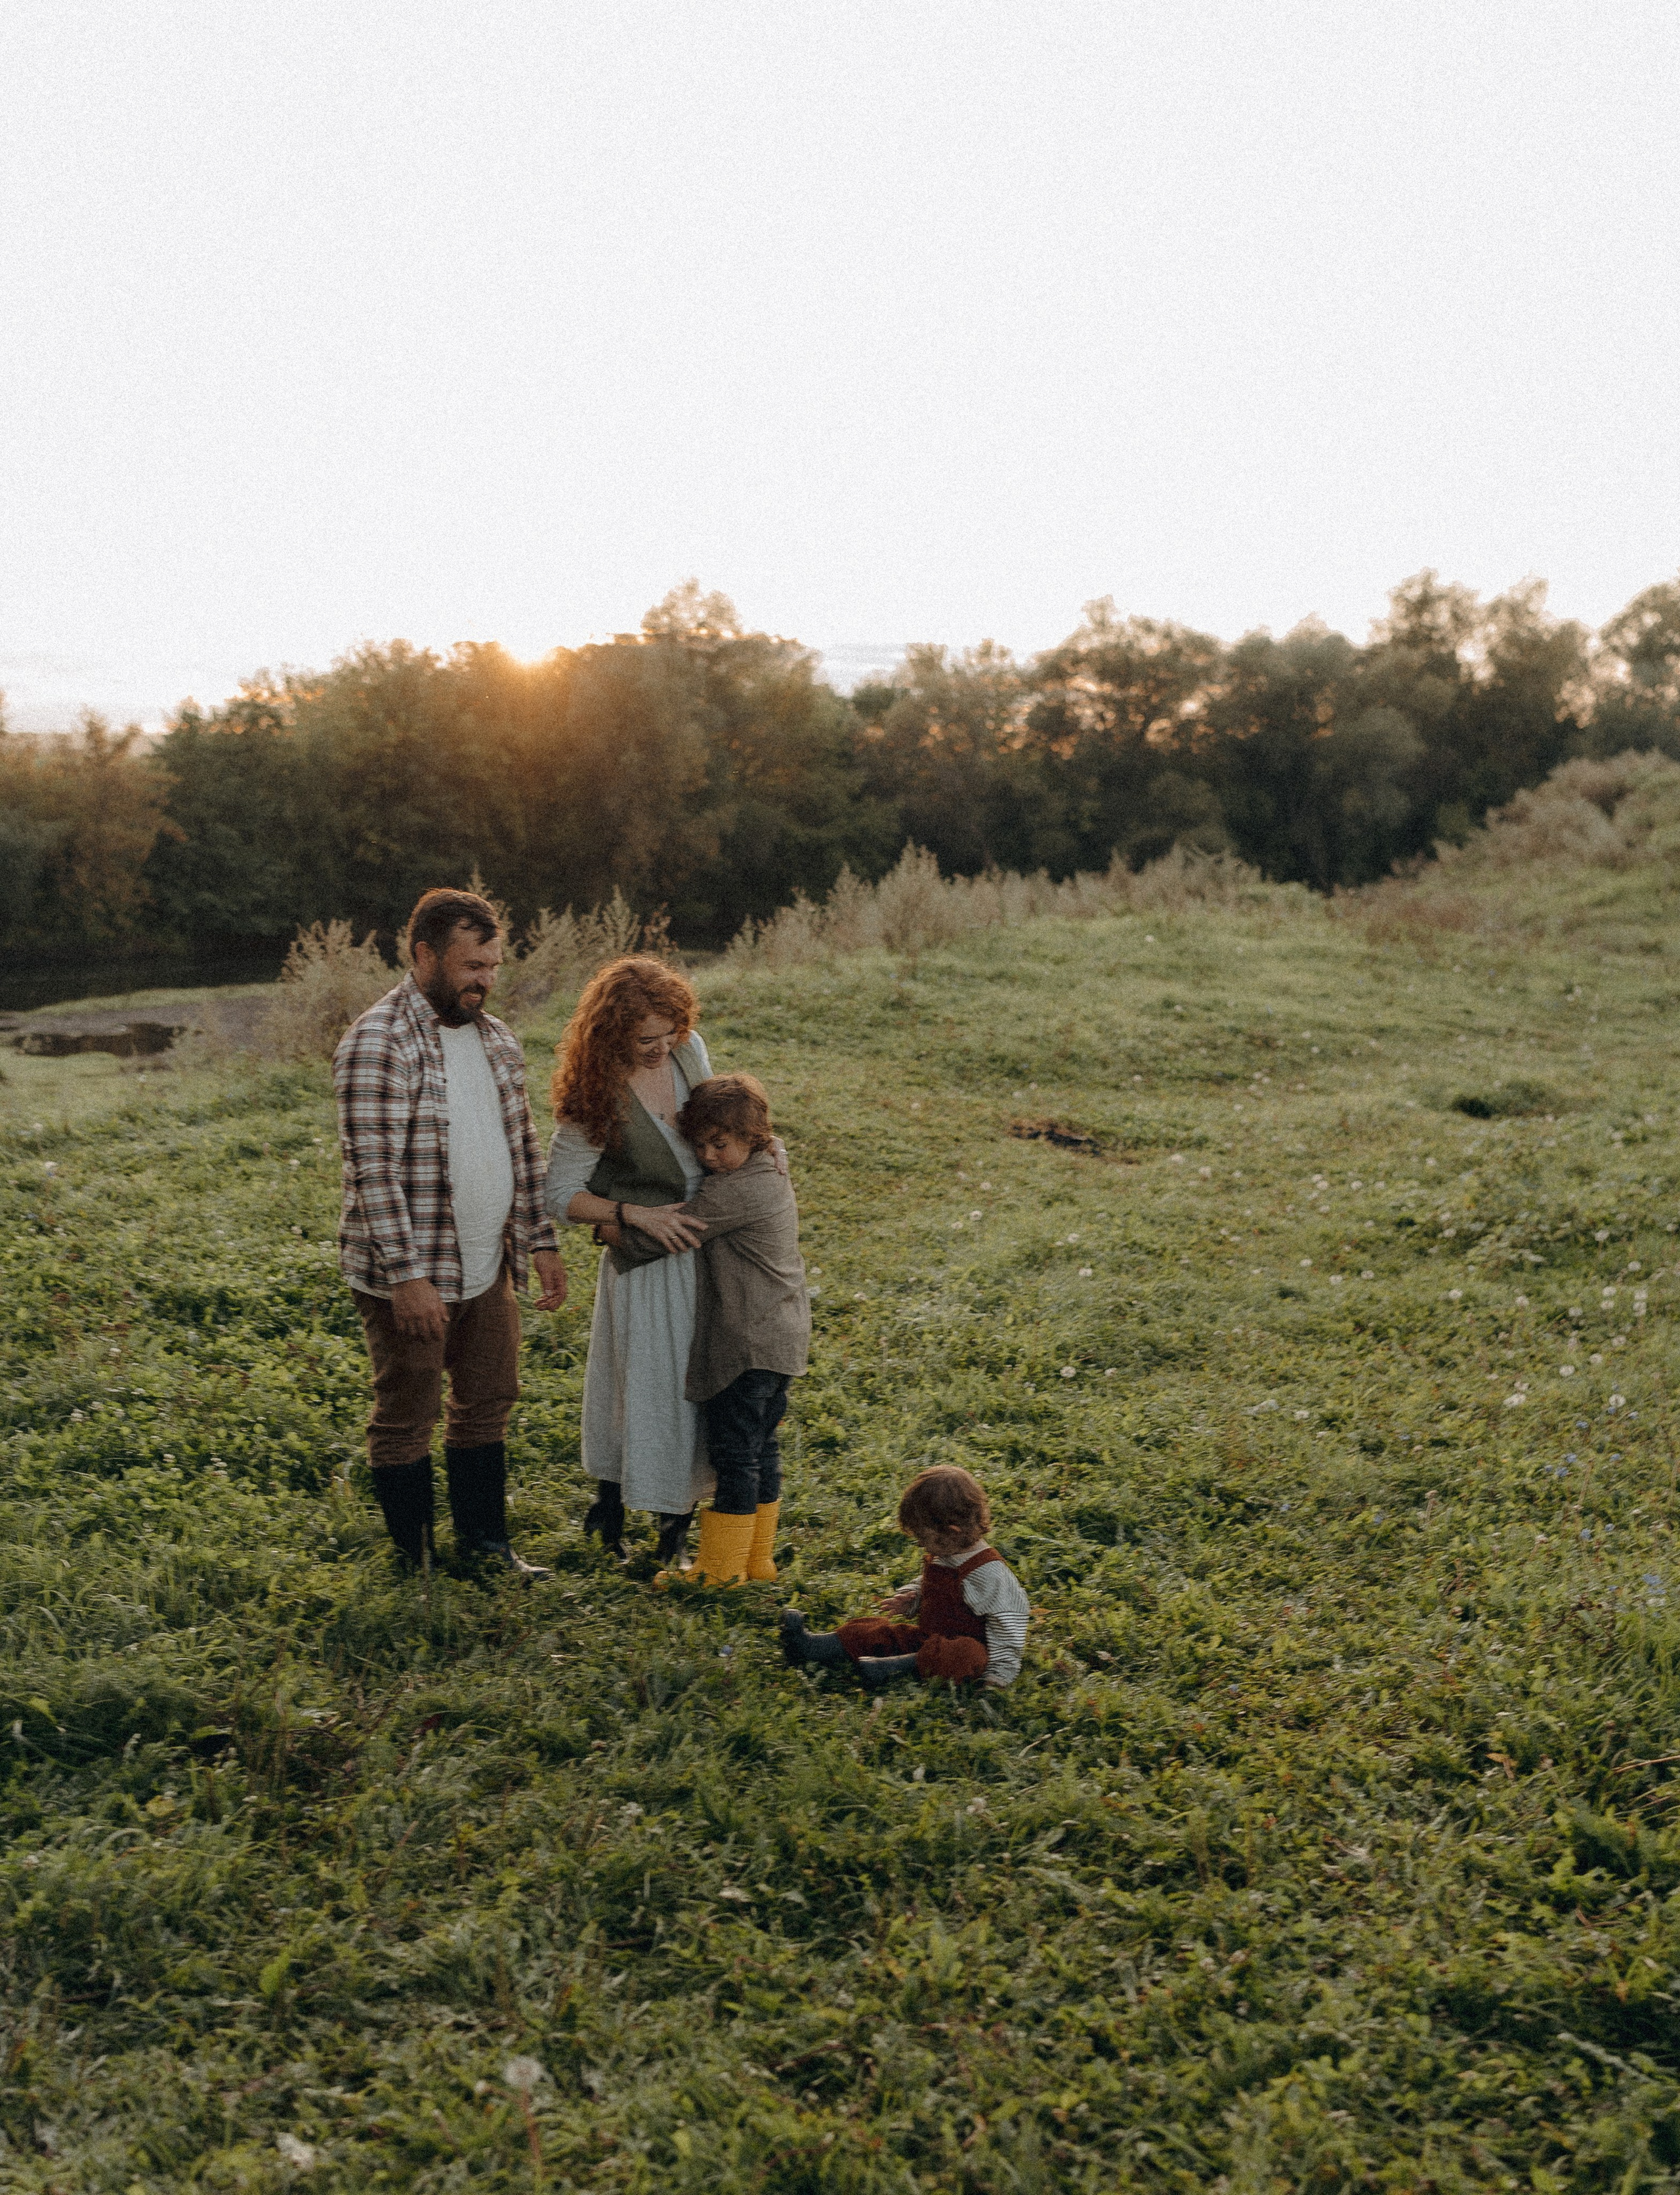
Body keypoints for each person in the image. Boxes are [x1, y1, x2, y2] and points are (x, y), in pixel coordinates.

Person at [333, 888, 567, 1576]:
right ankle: (419, 1560)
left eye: (493, 965)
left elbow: (523, 1147)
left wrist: (541, 1240)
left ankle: (488, 1548)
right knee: (408, 1412)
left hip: (487, 1263)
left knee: (488, 1401)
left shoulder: (496, 1039)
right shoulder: (378, 1040)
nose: (485, 980)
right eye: (471, 965)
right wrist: (406, 1278)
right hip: (413, 1273)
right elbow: (370, 1170)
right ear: (424, 955)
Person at [544, 956, 717, 1565]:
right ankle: (614, 1511)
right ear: (613, 1032)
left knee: (697, 1388)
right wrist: (632, 1216)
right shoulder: (595, 1092)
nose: (661, 1047)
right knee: (644, 1391)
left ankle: (677, 1528)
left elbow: (718, 1122)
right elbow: (560, 1194)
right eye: (646, 1038)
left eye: (669, 1032)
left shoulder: (689, 1052)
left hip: (707, 1250)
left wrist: (762, 1151)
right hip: (645, 1263)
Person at [612, 1073, 809, 1587]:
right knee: (762, 1448)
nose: (708, 1156)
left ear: (753, 1136)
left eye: (720, 1144)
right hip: (780, 1337)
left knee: (735, 1455)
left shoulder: (737, 1190)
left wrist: (609, 1228)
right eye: (698, 1145)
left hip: (746, 1345)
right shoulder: (769, 1165)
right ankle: (756, 1560)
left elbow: (675, 1231)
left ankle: (720, 1571)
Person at [780, 1465, 1030, 1690]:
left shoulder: (991, 1574)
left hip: (966, 1651)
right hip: (927, 1639)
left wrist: (999, 1675)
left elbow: (1009, 1626)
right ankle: (814, 1646)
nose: (921, 1544)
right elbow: (934, 1585)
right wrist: (913, 1598)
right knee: (876, 1631)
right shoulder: (950, 1551)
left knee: (966, 1654)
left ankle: (891, 1670)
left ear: (951, 1532)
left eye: (924, 1537)